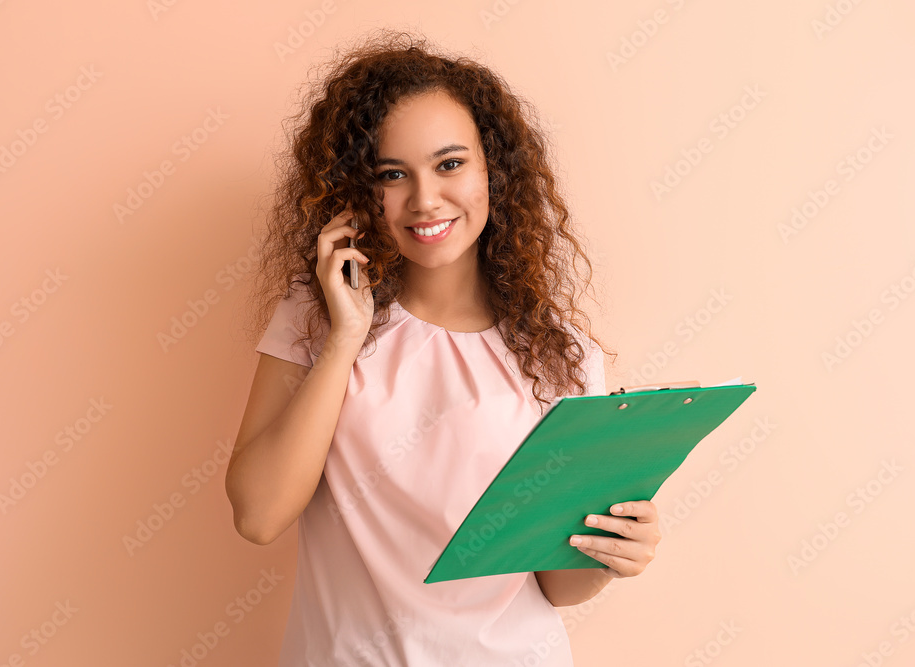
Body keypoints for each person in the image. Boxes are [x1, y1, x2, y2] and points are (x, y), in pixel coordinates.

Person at [225, 29, 662, 666]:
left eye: (450, 164)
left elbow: (557, 586)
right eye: (392, 175)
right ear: (357, 191)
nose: (425, 199)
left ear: (494, 170)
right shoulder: (318, 313)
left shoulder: (558, 355)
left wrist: (615, 554)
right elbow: (258, 515)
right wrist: (346, 337)